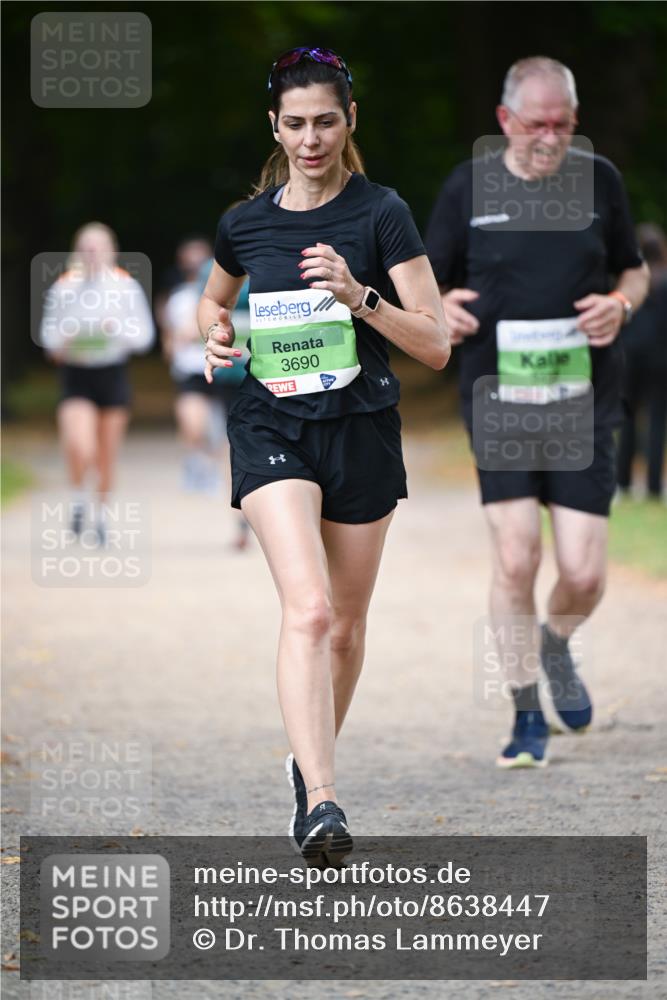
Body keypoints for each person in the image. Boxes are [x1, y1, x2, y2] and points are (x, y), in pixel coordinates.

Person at [199, 46, 449, 864]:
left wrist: (360, 296)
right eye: (295, 124)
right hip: (271, 427)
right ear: (275, 125)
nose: (311, 139)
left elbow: (437, 343)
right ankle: (325, 800)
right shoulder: (246, 222)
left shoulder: (382, 214)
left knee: (343, 627)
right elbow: (213, 296)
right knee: (306, 610)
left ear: (349, 123)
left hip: (361, 429)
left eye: (326, 122)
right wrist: (215, 332)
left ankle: (305, 767)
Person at [425, 57, 649, 768]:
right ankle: (525, 713)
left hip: (582, 401)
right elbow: (423, 282)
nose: (549, 138)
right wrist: (439, 310)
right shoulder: (469, 187)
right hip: (498, 398)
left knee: (583, 574)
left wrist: (619, 304)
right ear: (504, 122)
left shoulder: (599, 181)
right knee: (517, 555)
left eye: (562, 124)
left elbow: (633, 269)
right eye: (535, 124)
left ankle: (553, 645)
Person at [40, 222, 155, 542]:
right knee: (81, 445)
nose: (92, 252)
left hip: (112, 375)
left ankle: (101, 517)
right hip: (77, 376)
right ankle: (78, 498)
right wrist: (67, 337)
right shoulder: (63, 287)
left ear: (111, 250)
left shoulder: (125, 286)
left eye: (98, 246)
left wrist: (114, 329)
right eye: (86, 246)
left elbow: (144, 338)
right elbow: (48, 339)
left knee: (106, 454)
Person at [161, 237, 251, 547]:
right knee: (196, 424)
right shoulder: (212, 273)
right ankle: (199, 460)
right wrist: (189, 334)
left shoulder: (273, 266)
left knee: (234, 447)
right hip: (214, 369)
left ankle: (241, 521)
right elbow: (204, 305)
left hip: (251, 373)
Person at [617, 223, 667, 499]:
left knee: (627, 418)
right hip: (660, 358)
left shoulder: (630, 282)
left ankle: (622, 481)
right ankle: (654, 486)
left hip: (629, 356)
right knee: (658, 420)